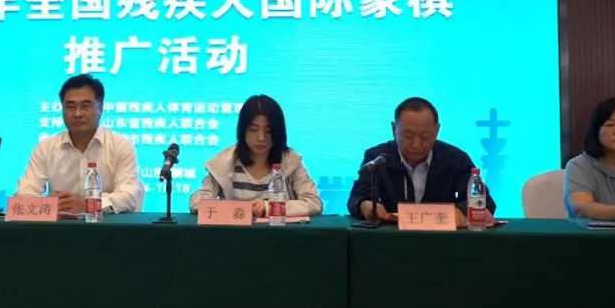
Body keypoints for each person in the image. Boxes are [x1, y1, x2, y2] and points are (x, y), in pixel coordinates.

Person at [347, 97, 495, 225]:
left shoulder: (455, 159)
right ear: (394, 129)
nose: (416, 145)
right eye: (408, 136)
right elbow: (357, 197)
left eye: (425, 137)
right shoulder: (377, 158)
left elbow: (485, 203)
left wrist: (459, 210)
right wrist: (364, 205)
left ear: (437, 131)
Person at [15, 74, 144, 214]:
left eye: (85, 106)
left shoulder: (120, 145)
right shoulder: (46, 148)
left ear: (101, 108)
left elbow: (129, 195)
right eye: (70, 107)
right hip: (59, 227)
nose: (77, 114)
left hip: (105, 226)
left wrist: (88, 205)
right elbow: (23, 193)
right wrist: (48, 204)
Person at [190, 94, 322, 217]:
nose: (261, 138)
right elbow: (196, 203)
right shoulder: (224, 163)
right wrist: (234, 208)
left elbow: (314, 203)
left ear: (278, 132)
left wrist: (269, 208)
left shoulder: (290, 162)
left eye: (268, 131)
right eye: (253, 129)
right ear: (243, 130)